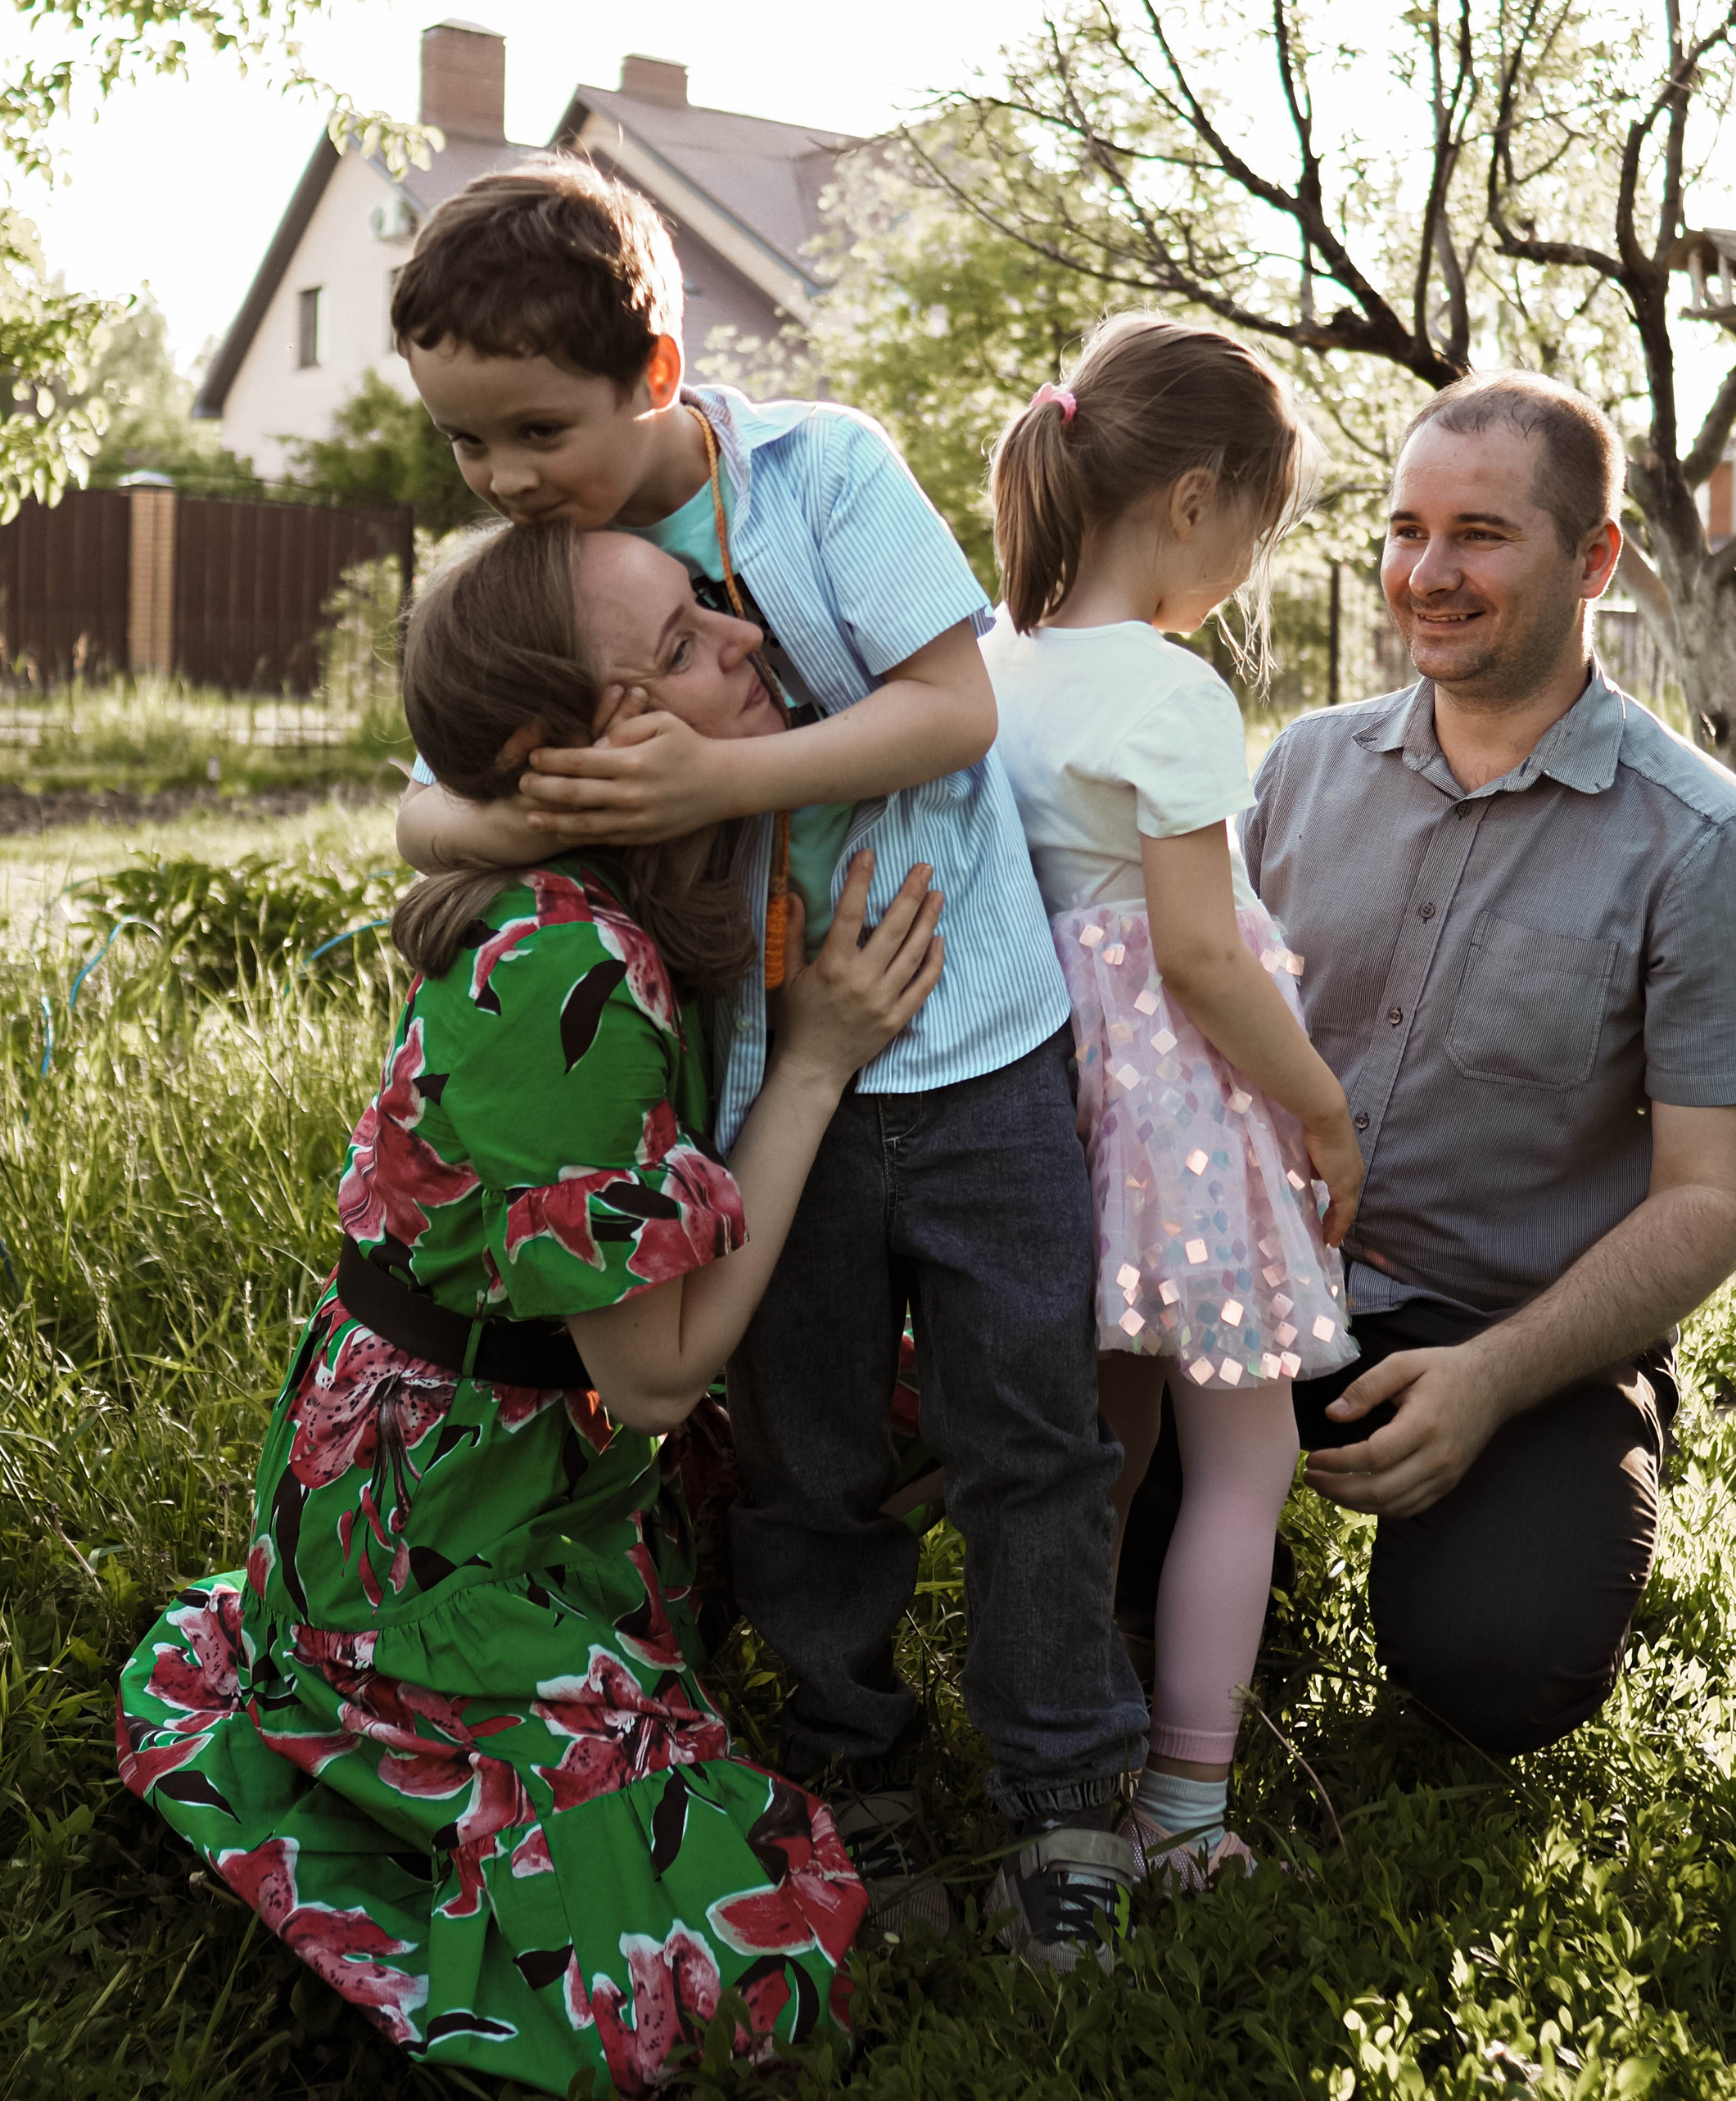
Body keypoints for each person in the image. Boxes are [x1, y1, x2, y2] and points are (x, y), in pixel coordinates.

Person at [387, 156, 1149, 1966]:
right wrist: (486, 831)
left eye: (528, 432)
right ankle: (849, 1766)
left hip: (968, 1043)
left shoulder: (819, 475)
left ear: (651, 374)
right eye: (464, 445)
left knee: (1024, 1431)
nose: (496, 480)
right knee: (804, 1449)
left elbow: (954, 704)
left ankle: (1064, 1795)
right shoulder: (554, 576)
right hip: (758, 1084)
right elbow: (434, 806)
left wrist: (719, 780)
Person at [118, 518, 947, 2094]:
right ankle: (375, 1725)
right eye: (685, 648)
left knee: (914, 1397)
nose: (747, 641)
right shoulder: (557, 965)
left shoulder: (632, 900)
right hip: (438, 1533)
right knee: (743, 1969)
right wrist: (824, 1055)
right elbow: (656, 1373)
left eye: (714, 606)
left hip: (530, 1462)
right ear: (561, 756)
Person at [1120, 371, 1736, 1759]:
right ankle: (1234, 1537)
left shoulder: (1711, 847)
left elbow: (1710, 1200)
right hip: (1254, 1283)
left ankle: (1478, 1508)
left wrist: (1492, 1378)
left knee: (1494, 1666)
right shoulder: (1299, 771)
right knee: (1076, 1538)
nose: (1428, 574)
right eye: (1405, 529)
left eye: (1481, 534)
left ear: (1595, 557)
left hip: (1509, 1327)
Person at [981, 316, 1368, 1882]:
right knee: (1246, 1460)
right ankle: (1185, 1813)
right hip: (1177, 1118)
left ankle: (1065, 1749)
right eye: (1258, 536)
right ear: (1195, 501)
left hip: (1031, 1102)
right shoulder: (1167, 691)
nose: (1247, 570)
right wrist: (1329, 1115)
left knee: (1102, 1453)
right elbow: (1203, 959)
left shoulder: (987, 670)